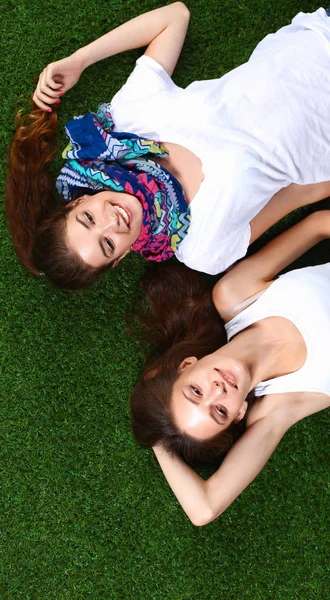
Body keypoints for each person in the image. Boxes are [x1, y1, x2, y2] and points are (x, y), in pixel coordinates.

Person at [7, 4, 330, 289]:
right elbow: (300, 193)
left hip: (315, 44)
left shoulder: (127, 124)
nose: (112, 222)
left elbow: (175, 17)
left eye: (88, 219)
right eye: (107, 244)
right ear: (118, 259)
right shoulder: (203, 249)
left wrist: (81, 60)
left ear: (76, 203)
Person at [130, 210, 330, 525]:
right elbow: (204, 509)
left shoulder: (236, 295)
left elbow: (318, 225)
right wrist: (157, 439)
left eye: (195, 391)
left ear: (186, 364)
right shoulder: (278, 408)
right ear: (238, 413)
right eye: (219, 412)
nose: (218, 392)